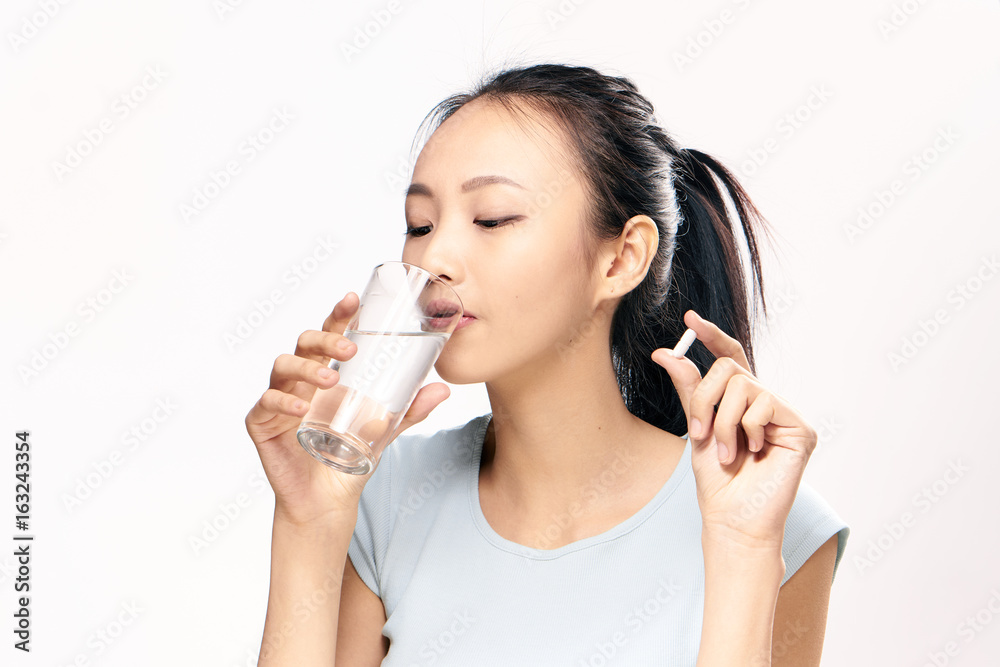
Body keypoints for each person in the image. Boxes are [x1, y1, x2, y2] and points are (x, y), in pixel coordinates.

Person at [246, 62, 850, 666]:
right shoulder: (382, 497)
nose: (434, 258)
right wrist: (308, 522)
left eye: (492, 218)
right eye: (420, 225)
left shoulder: (767, 513)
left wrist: (744, 549)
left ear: (622, 259)